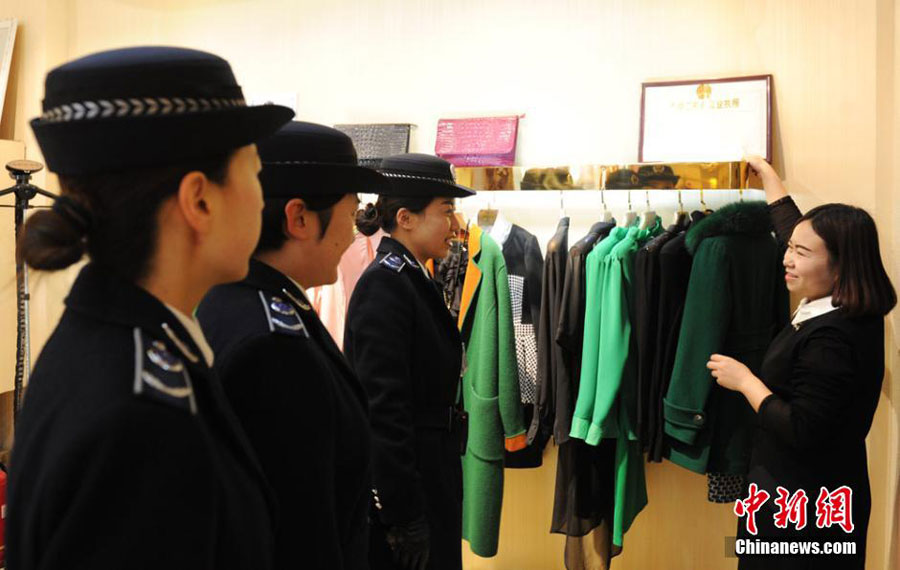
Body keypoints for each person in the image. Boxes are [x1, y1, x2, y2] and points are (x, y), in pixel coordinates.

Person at [7, 47, 294, 569]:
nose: (261, 199)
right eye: (255, 174)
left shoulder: (109, 346)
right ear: (200, 201)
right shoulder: (139, 418)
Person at [197, 121, 386, 569]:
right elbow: (301, 534)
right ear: (299, 218)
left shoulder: (236, 299)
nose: (356, 230)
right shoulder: (272, 346)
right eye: (351, 207)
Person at [708, 155, 896, 569]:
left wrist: (745, 382)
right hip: (800, 493)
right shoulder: (841, 304)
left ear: (839, 264)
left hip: (805, 511)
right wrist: (770, 180)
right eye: (789, 247)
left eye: (800, 252)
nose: (786, 259)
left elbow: (802, 429)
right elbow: (791, 230)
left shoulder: (833, 337)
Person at [344, 154, 474, 570]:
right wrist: (402, 513)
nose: (456, 225)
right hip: (412, 484)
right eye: (446, 210)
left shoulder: (413, 276)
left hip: (431, 470)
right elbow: (383, 410)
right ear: (406, 217)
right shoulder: (385, 285)